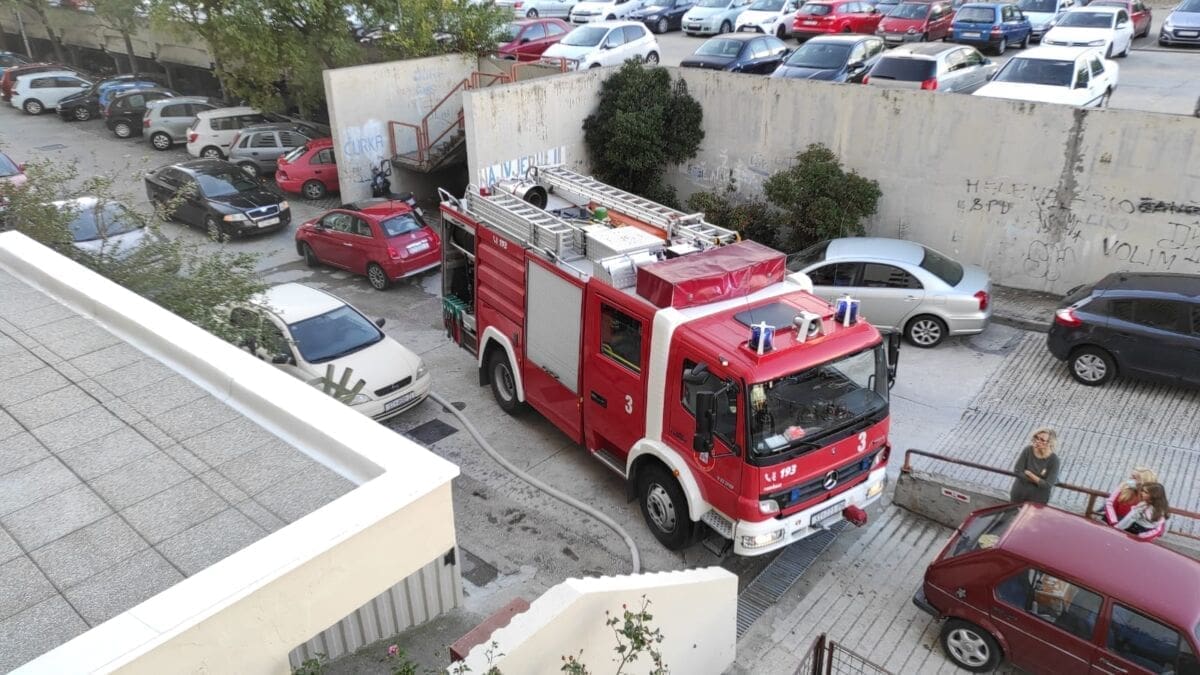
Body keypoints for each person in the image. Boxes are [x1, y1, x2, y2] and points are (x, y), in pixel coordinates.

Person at [1009, 428, 1061, 505]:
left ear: (1050, 443)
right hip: (1018, 494)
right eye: (1036, 437)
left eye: (1042, 440)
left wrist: (1030, 474)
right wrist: (1039, 481)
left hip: (1038, 500)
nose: (1037, 441)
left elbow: (1047, 485)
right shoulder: (1028, 450)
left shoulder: (1054, 460)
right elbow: (1017, 471)